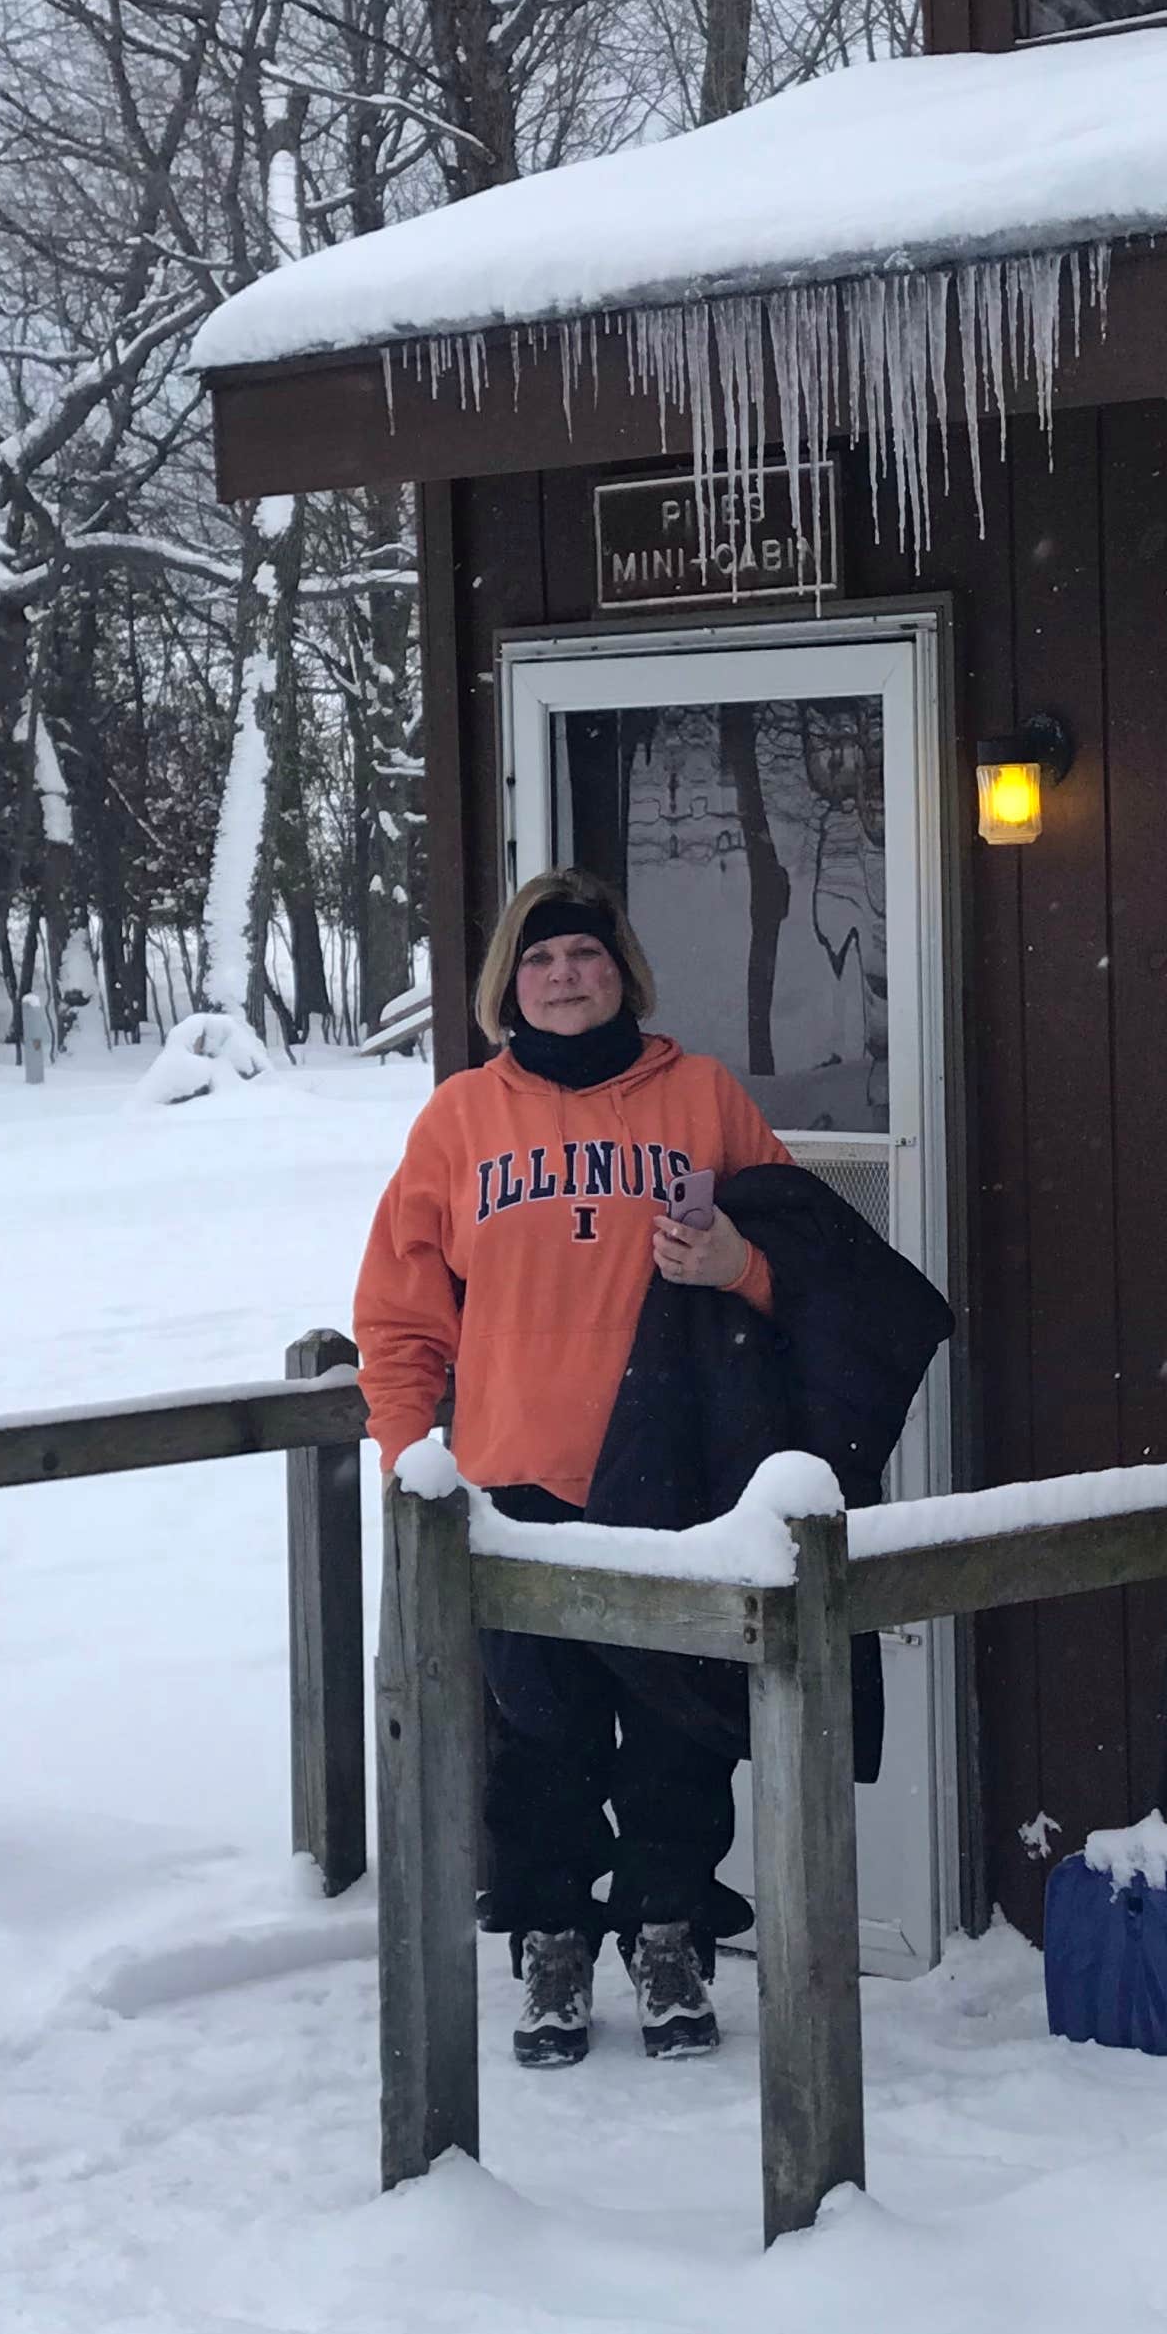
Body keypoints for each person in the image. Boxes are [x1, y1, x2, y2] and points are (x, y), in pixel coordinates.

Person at [353, 870, 791, 2072]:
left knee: (678, 1739)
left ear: (622, 972)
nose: (564, 977)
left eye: (585, 956)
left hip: (677, 1485)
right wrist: (410, 1459)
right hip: (515, 1487)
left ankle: (668, 1934)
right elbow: (400, 1316)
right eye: (540, 960)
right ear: (510, 983)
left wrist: (740, 1265)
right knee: (536, 1744)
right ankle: (551, 1937)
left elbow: (809, 1256)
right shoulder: (459, 1120)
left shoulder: (701, 1098)